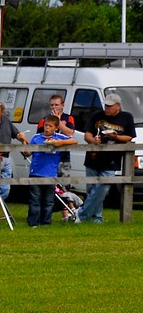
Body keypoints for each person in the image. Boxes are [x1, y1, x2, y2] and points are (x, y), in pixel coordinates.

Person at [80, 92, 136, 223]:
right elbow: (87, 134)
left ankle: (82, 215)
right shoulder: (96, 115)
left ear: (118, 106)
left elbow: (129, 137)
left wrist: (116, 137)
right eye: (106, 105)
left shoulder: (127, 117)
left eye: (110, 106)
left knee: (103, 188)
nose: (107, 108)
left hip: (112, 159)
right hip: (93, 157)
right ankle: (97, 218)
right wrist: (93, 141)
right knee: (92, 190)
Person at [25, 114, 76, 227]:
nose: (47, 128)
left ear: (56, 128)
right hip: (36, 172)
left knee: (48, 201)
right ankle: (33, 223)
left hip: (51, 174)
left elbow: (74, 141)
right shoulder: (36, 137)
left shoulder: (58, 137)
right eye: (45, 125)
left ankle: (46, 222)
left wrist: (61, 143)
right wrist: (24, 143)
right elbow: (28, 153)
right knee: (35, 200)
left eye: (50, 126)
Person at [36, 94, 76, 176]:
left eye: (56, 105)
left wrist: (58, 121)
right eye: (52, 105)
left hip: (63, 157)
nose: (54, 107)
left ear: (62, 106)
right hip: (48, 157)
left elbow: (70, 133)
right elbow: (39, 137)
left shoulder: (68, 118)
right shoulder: (43, 120)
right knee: (49, 182)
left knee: (63, 182)